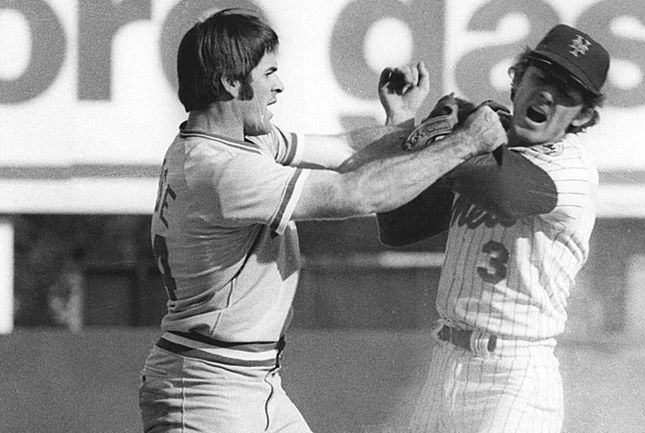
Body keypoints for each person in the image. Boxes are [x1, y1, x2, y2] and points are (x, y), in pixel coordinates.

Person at [138, 8, 506, 433]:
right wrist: (463, 144)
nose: (279, 86)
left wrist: (412, 124)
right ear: (231, 82)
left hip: (244, 381)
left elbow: (347, 149)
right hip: (206, 392)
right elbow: (360, 192)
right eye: (269, 72)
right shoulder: (222, 172)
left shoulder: (230, 143)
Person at [376, 24, 610, 432]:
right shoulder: (477, 148)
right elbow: (400, 225)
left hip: (514, 376)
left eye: (567, 93)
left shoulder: (571, 167)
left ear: (584, 115)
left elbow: (501, 187)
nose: (548, 95)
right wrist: (403, 122)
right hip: (446, 363)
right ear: (518, 79)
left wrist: (445, 130)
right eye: (541, 77)